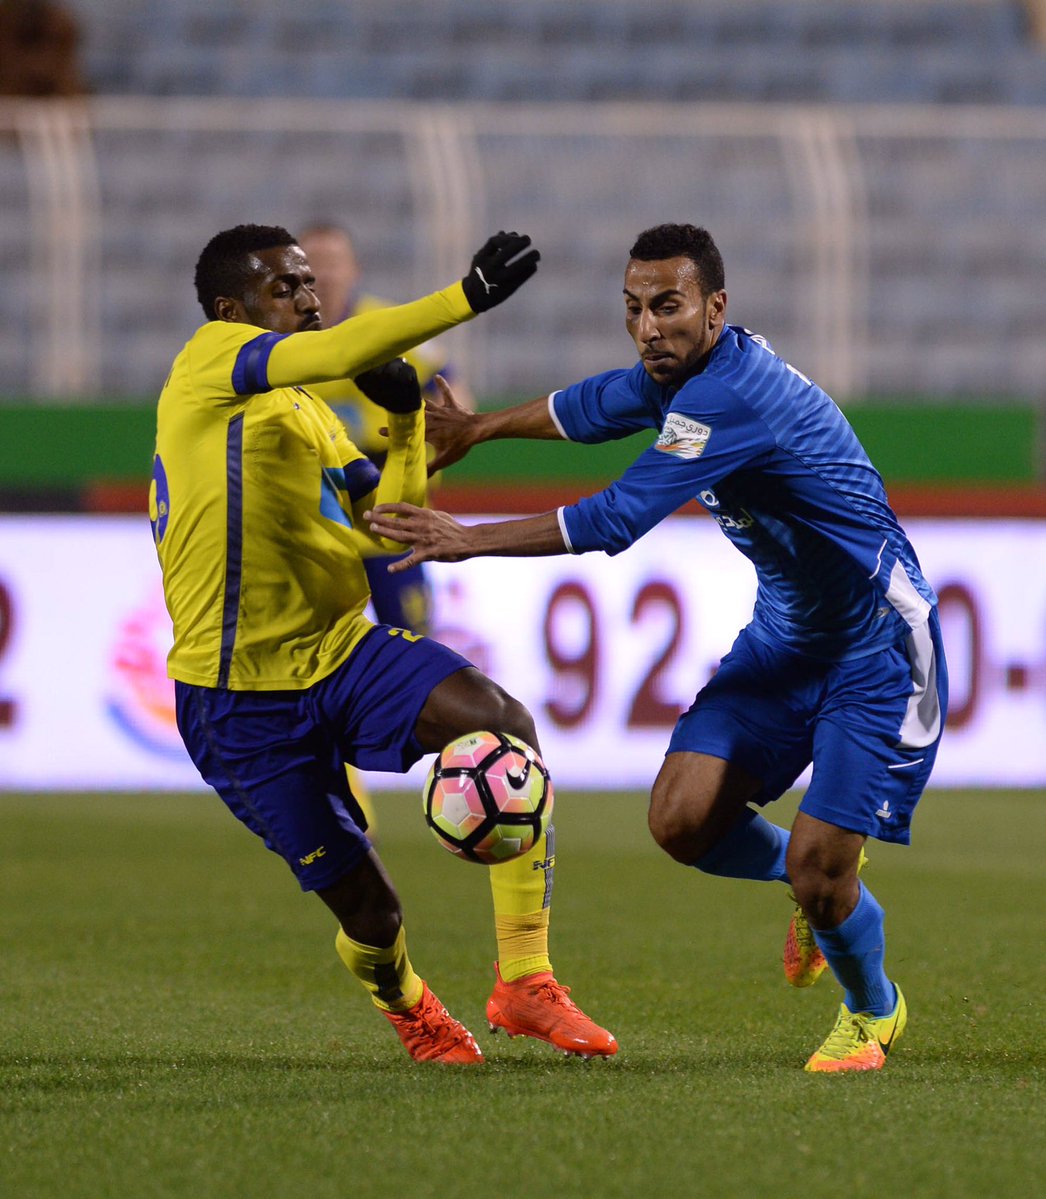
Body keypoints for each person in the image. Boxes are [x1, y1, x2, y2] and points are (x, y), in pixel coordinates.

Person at [367, 222, 949, 1073]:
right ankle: (821, 885)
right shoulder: (679, 372)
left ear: (715, 308)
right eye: (634, 308)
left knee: (827, 876)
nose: (648, 327)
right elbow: (590, 407)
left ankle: (873, 1008)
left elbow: (614, 519)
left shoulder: (731, 396)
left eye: (668, 306)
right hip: (786, 637)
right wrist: (481, 428)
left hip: (876, 651)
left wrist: (468, 538)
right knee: (680, 821)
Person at [150, 223, 616, 1064]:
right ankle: (409, 1004)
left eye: (307, 283)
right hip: (236, 699)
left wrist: (404, 422)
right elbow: (339, 352)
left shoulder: (311, 417)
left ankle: (527, 978)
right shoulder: (208, 364)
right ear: (230, 310)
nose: (307, 298)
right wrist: (464, 298)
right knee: (371, 914)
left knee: (502, 719)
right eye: (282, 287)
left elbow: (388, 527)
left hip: (338, 652)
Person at [297, 222, 474, 634]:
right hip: (313, 513)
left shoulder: (386, 324)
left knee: (411, 640)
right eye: (312, 266)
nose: (323, 276)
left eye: (332, 263)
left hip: (391, 505)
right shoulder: (279, 341)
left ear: (354, 270)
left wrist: (428, 436)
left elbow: (457, 393)